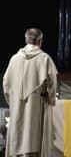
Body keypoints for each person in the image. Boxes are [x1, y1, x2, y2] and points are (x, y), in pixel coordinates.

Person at [2, 28, 58, 157]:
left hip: (16, 103)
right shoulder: (44, 58)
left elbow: (5, 83)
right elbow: (52, 81)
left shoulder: (14, 59)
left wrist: (11, 100)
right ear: (40, 41)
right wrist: (50, 98)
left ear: (26, 39)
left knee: (17, 133)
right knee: (32, 135)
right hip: (36, 102)